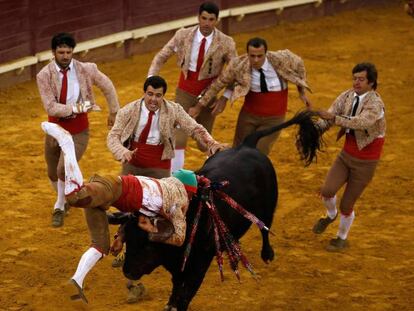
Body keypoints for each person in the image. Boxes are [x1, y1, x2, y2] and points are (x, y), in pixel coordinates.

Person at [40, 121, 198, 303]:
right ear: (187, 191)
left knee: (101, 246)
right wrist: (154, 233)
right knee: (76, 197)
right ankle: (67, 142)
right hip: (114, 189)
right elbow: (179, 237)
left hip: (112, 194)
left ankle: (77, 281)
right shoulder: (178, 198)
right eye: (190, 196)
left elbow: (133, 218)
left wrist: (121, 237)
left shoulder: (165, 188)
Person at [37, 32, 120, 228]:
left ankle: (59, 206)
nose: (65, 56)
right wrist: (74, 109)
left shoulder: (85, 69)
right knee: (51, 172)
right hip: (55, 130)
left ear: (73, 51)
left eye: (68, 52)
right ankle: (65, 199)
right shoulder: (44, 75)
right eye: (61, 52)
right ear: (53, 52)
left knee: (62, 169)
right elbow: (50, 107)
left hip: (78, 131)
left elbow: (107, 85)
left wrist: (114, 111)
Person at [147, 1, 237, 172]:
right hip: (184, 92)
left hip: (209, 95)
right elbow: (161, 57)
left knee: (204, 143)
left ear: (216, 20)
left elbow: (234, 72)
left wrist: (225, 98)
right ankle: (174, 178)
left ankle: (211, 171)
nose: (206, 23)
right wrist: (151, 79)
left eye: (211, 19)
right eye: (203, 18)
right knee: (178, 138)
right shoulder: (183, 35)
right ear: (198, 17)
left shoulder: (226, 42)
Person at [190, 37, 311, 155]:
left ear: (266, 53)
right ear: (247, 54)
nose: (256, 60)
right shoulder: (238, 64)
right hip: (248, 117)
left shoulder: (282, 58)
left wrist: (301, 91)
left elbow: (299, 63)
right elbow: (218, 84)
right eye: (252, 56)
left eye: (260, 56)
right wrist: (199, 106)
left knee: (258, 153)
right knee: (238, 150)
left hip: (274, 119)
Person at [312, 62, 386, 251]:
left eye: (361, 79)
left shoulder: (376, 104)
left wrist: (333, 119)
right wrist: (314, 131)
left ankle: (341, 238)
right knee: (327, 190)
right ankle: (330, 215)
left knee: (347, 203)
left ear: (371, 82)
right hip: (346, 156)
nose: (356, 82)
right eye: (355, 78)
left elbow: (361, 123)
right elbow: (329, 116)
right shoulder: (346, 97)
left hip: (366, 163)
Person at [107, 75, 226, 177]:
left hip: (159, 167)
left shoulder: (174, 110)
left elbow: (194, 128)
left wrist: (211, 143)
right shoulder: (128, 110)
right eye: (150, 94)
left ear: (163, 95)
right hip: (132, 165)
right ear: (144, 93)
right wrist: (121, 151)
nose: (153, 99)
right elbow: (113, 136)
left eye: (158, 95)